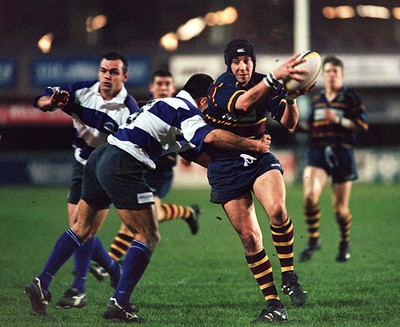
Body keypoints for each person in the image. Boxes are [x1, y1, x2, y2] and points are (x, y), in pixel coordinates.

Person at [24, 73, 273, 323]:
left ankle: (42, 282)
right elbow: (210, 137)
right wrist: (253, 146)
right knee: (148, 235)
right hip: (123, 163)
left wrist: (241, 166)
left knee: (83, 228)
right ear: (204, 100)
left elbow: (200, 155)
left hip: (101, 157)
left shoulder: (167, 105)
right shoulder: (187, 110)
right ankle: (120, 302)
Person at [204, 39, 310, 323]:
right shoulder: (219, 88)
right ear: (229, 65)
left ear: (253, 62)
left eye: (247, 61)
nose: (242, 66)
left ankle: (288, 273)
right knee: (251, 238)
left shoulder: (267, 83)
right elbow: (243, 103)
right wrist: (277, 77)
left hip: (259, 159)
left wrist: (291, 96)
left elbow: (289, 123)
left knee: (277, 210)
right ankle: (274, 304)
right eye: (237, 62)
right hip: (226, 165)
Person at [32, 52, 140, 308]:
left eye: (114, 72)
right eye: (103, 70)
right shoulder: (81, 91)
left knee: (83, 229)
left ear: (124, 76)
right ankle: (113, 270)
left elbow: (132, 147)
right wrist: (49, 103)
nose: (107, 76)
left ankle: (77, 287)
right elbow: (42, 99)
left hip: (104, 170)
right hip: (81, 164)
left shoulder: (128, 109)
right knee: (79, 227)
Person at [89, 70, 201, 281]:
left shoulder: (178, 108)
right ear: (151, 87)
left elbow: (182, 138)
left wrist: (188, 150)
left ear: (174, 88)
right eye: (159, 83)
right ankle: (188, 213)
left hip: (159, 172)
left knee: (141, 220)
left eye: (168, 84)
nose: (163, 87)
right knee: (150, 217)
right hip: (134, 165)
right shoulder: (144, 107)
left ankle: (110, 262)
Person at [297, 56, 368, 263]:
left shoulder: (351, 98)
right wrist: (297, 127)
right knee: (310, 196)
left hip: (342, 153)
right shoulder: (317, 99)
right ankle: (313, 239)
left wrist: (338, 119)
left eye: (335, 72)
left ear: (342, 75)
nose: (330, 75)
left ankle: (345, 241)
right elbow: (311, 127)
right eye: (327, 71)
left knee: (340, 210)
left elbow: (362, 125)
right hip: (318, 152)